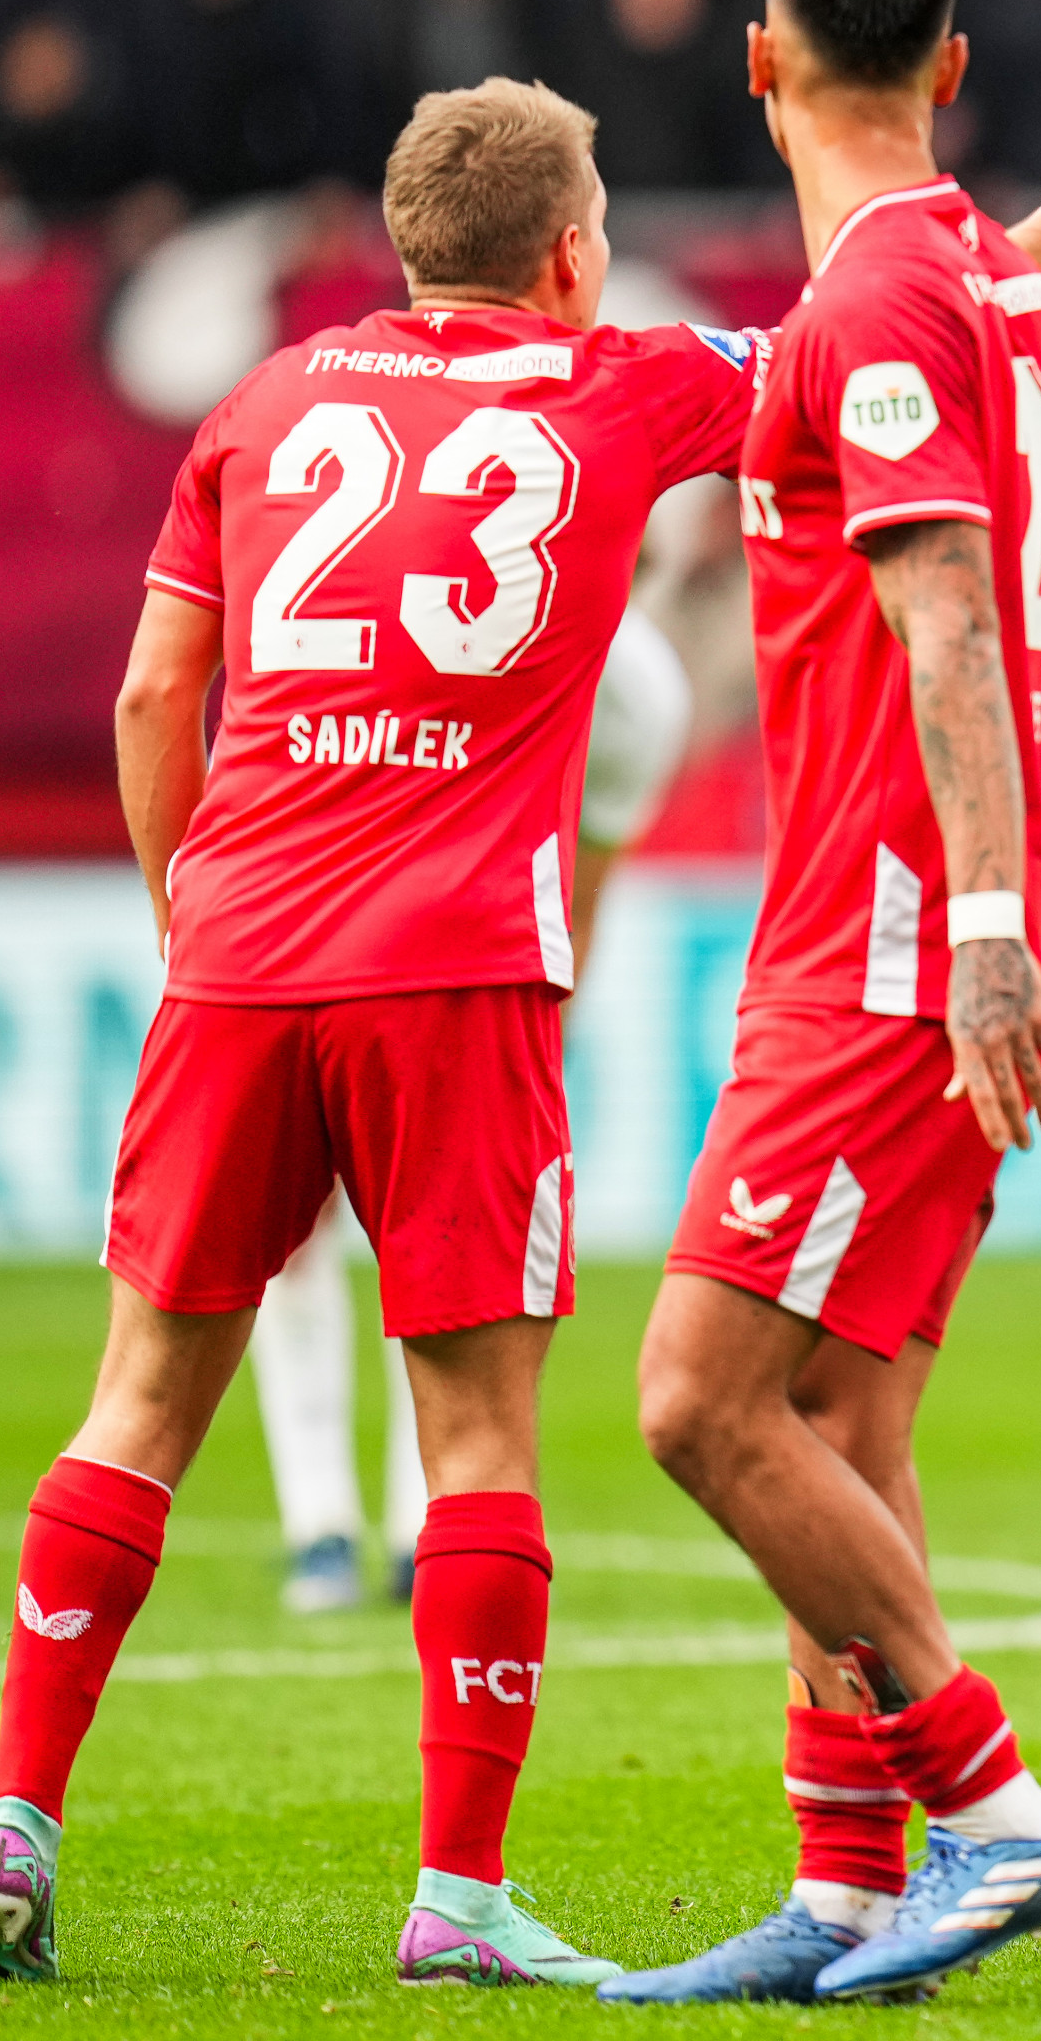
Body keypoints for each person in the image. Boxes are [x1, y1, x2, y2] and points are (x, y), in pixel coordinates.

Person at [0, 80, 758, 1990]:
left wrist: (187, 912)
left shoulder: (263, 402)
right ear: (573, 251)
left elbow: (161, 688)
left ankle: (11, 1818)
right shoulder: (623, 385)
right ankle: (459, 1897)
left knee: (139, 1399)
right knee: (476, 1439)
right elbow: (857, 338)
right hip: (456, 973)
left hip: (241, 958)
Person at [606, 0, 1041, 2010]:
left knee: (696, 1396)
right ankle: (849, 1882)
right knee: (841, 1416)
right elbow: (928, 337)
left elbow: (944, 619)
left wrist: (969, 928)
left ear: (759, 61)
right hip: (906, 910)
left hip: (887, 930)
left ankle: (995, 1803)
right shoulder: (966, 278)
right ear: (950, 68)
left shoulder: (878, 305)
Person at [247, 610, 695, 1621]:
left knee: (436, 1224)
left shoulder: (631, 694)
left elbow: (582, 895)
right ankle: (320, 1520)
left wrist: (526, 1044)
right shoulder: (413, 604)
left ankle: (415, 1527)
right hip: (330, 896)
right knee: (310, 1216)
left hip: (458, 952)